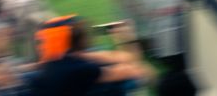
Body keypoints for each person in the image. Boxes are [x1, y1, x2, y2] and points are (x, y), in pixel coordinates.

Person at [23, 19, 151, 96]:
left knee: (98, 54)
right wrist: (126, 38)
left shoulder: (56, 57)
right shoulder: (81, 68)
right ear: (82, 40)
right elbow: (135, 71)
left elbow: (116, 58)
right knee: (131, 81)